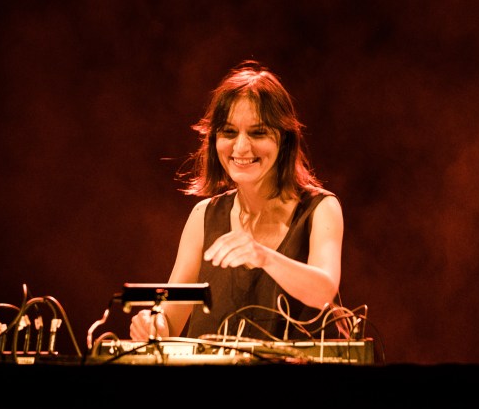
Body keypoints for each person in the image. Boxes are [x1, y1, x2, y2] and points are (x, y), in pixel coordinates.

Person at [129, 60, 345, 342]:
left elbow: (324, 291)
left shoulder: (321, 209)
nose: (241, 147)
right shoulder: (203, 215)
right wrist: (152, 324)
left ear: (285, 140)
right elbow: (169, 318)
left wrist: (263, 256)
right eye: (229, 132)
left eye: (258, 132)